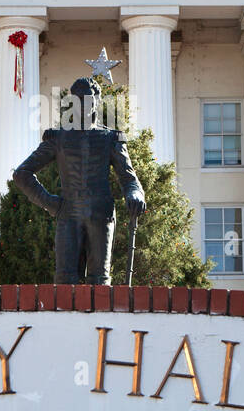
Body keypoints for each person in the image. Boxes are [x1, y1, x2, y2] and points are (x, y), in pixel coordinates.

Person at [13, 76, 145, 284]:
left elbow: (129, 178)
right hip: (69, 214)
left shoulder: (112, 138)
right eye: (79, 100)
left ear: (98, 102)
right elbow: (22, 174)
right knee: (65, 282)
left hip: (100, 215)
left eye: (89, 100)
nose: (84, 105)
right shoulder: (59, 138)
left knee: (99, 283)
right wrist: (51, 203)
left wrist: (135, 194)